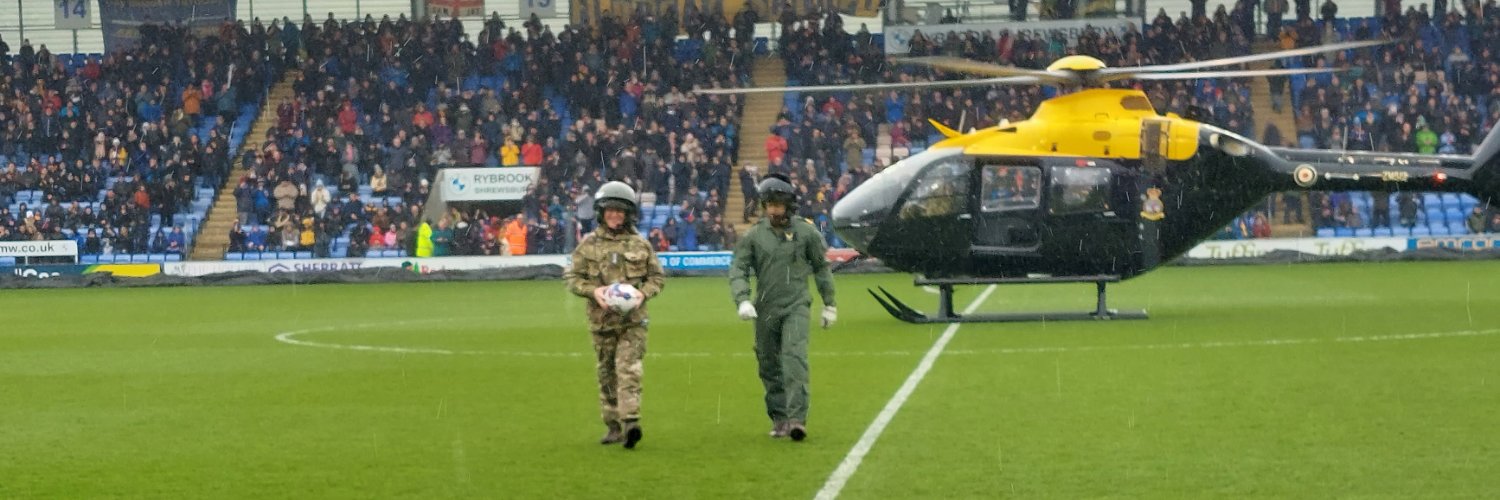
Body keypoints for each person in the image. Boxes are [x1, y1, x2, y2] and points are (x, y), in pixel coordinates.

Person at [729, 174, 836, 442]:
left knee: (794, 358)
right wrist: (742, 299)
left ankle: (797, 419)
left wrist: (829, 303)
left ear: (789, 205)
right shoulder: (754, 236)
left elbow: (821, 269)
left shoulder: (807, 233)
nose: (773, 210)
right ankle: (780, 417)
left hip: (796, 305)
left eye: (778, 205)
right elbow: (738, 269)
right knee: (768, 364)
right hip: (764, 308)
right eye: (769, 205)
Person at [564, 181, 666, 450]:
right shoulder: (587, 246)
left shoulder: (640, 245)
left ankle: (631, 421)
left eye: (620, 211)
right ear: (601, 212)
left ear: (628, 214)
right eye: (610, 210)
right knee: (606, 374)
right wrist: (594, 291)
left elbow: (657, 278)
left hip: (633, 322)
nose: (614, 215)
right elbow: (572, 278)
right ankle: (613, 426)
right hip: (601, 323)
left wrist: (642, 294)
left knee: (628, 369)